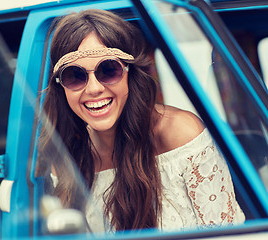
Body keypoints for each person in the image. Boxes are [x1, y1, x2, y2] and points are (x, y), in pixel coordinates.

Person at [38, 9, 245, 233]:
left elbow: (226, 235)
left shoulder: (181, 133)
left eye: (109, 70)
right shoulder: (65, 157)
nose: (94, 89)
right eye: (75, 76)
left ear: (130, 73)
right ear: (61, 86)